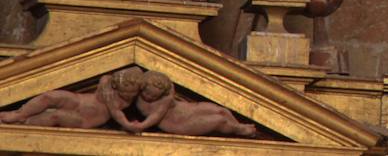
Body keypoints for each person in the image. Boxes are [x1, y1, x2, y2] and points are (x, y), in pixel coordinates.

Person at [110, 71, 255, 137]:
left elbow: (169, 88)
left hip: (189, 110)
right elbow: (155, 117)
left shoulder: (167, 96)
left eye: (154, 96)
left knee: (220, 111)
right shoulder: (137, 96)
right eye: (147, 93)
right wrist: (138, 126)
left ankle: (239, 128)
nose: (148, 97)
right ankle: (238, 130)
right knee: (219, 120)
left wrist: (139, 126)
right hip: (181, 123)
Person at [0, 66, 143, 129]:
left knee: (56, 116)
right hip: (79, 100)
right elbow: (105, 79)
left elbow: (118, 115)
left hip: (84, 119)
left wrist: (131, 125)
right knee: (49, 96)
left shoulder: (121, 102)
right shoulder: (108, 81)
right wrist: (106, 84)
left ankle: (21, 126)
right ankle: (19, 114)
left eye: (130, 92)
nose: (127, 94)